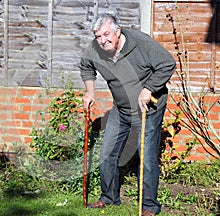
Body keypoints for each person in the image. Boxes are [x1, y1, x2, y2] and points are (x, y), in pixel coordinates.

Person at [80, 13, 176, 216]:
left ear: (117, 31)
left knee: (147, 158)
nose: (103, 40)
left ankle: (149, 206)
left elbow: (167, 63)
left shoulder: (140, 44)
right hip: (121, 109)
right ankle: (109, 197)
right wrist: (90, 91)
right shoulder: (96, 49)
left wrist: (148, 89)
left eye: (106, 34)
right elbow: (86, 66)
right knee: (107, 152)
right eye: (98, 36)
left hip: (148, 109)